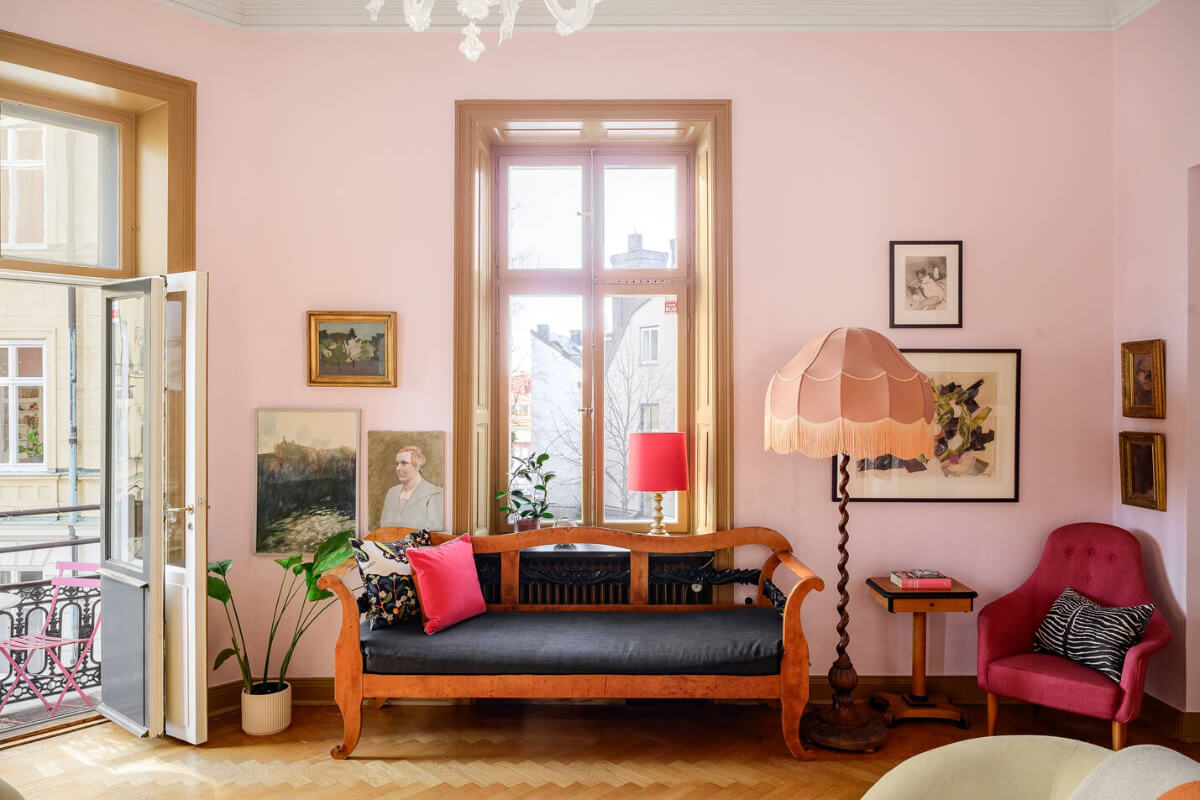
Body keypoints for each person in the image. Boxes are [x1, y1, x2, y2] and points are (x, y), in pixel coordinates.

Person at [379, 445, 444, 530]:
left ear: (417, 466)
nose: (398, 468)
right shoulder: (392, 492)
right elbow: (383, 527)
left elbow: (435, 530)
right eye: (397, 464)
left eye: (404, 463)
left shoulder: (434, 493)